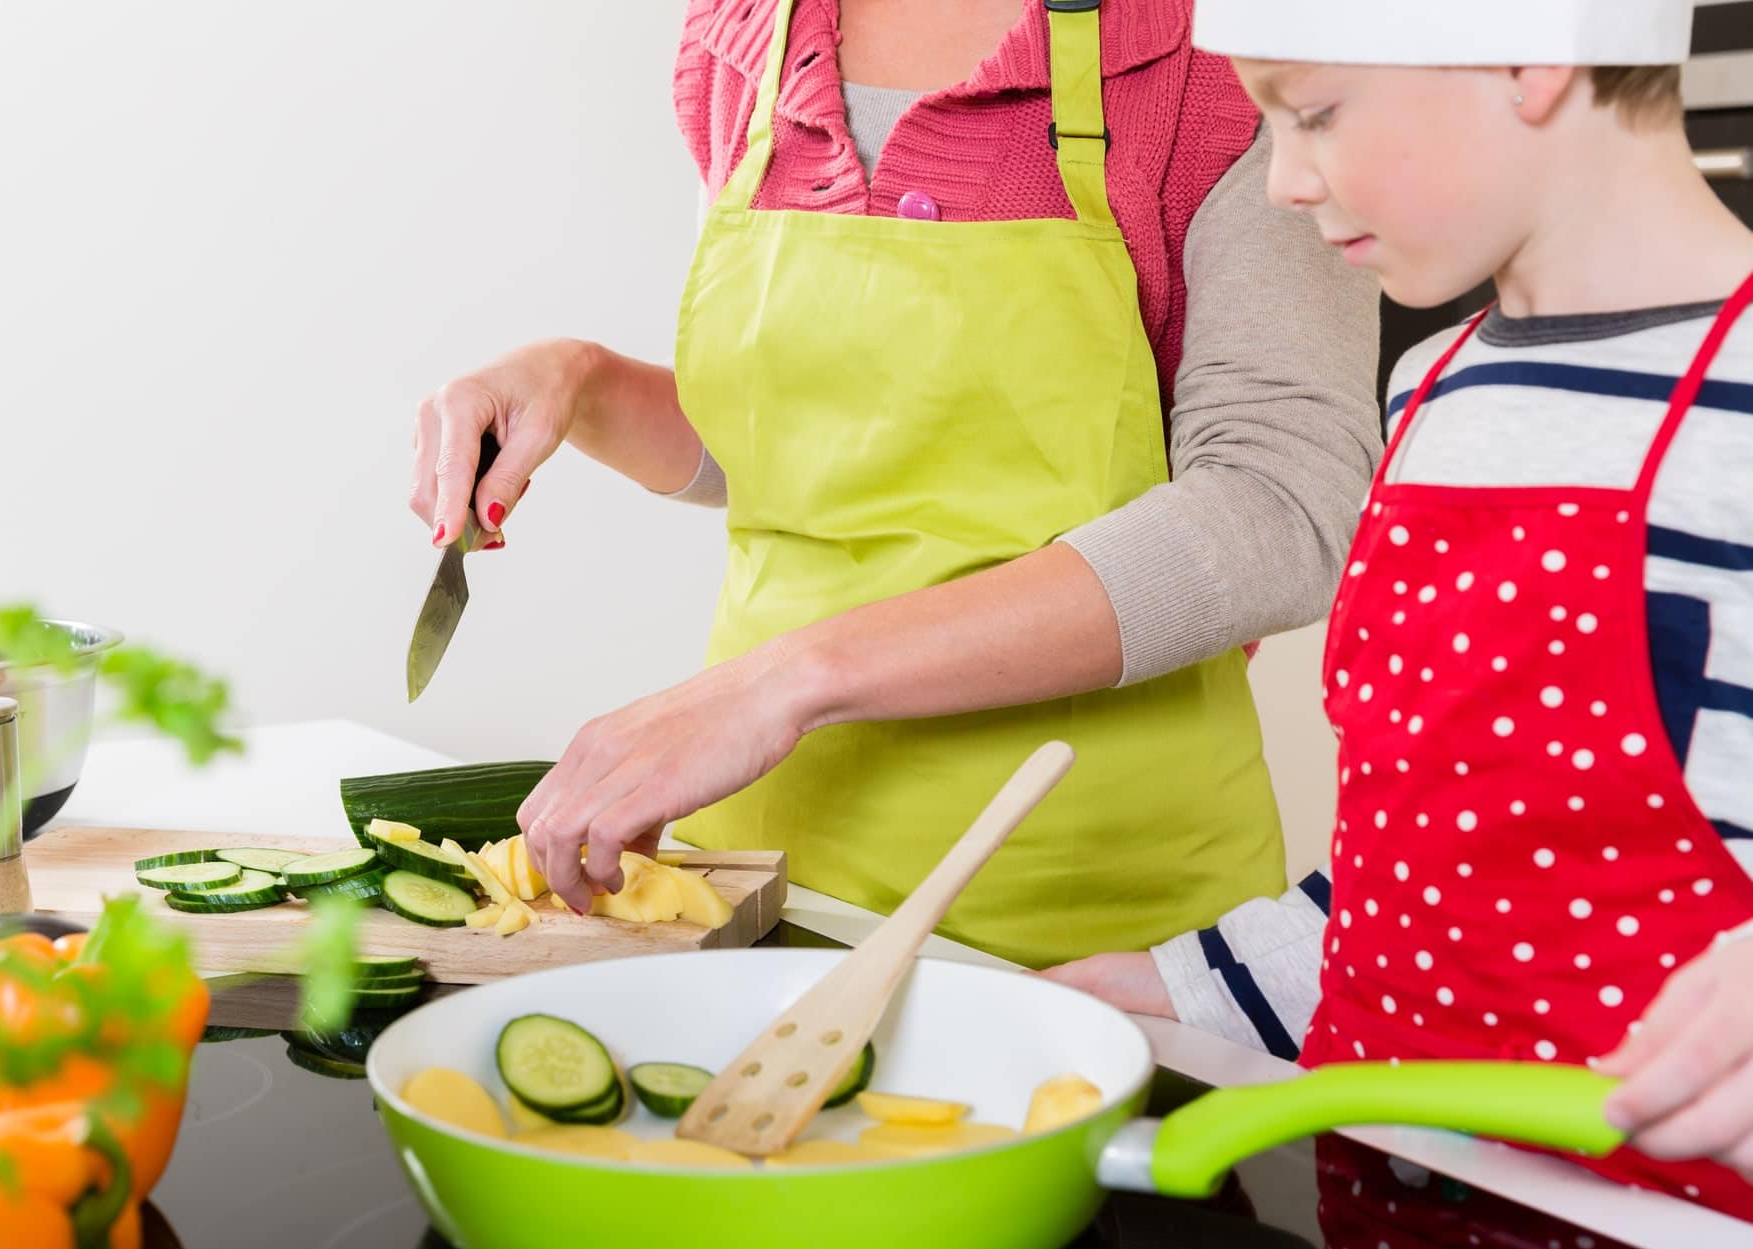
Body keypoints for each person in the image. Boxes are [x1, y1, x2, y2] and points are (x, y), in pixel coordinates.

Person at [411, 0, 1381, 969]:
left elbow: (1277, 506)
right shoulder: (741, 36)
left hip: (1090, 928)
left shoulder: (1218, 51)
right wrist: (579, 382)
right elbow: (793, 441)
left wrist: (786, 682)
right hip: (761, 888)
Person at [1063, 0, 1753, 1207]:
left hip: (1673, 1245)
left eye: (1314, 111)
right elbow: (1424, 859)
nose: (1281, 181)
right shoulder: (1430, 392)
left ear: (1532, 54)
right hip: (1392, 1208)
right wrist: (1188, 989)